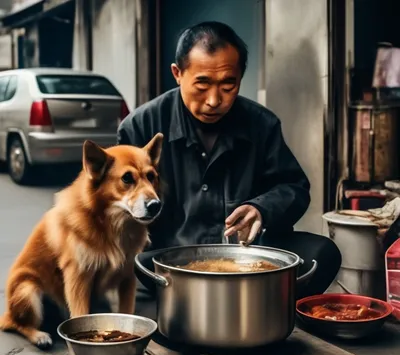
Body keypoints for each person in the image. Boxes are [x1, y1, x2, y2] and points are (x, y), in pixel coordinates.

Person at [117, 21, 341, 298]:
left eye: (228, 85)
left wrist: (261, 209)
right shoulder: (141, 126)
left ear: (240, 78)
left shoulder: (262, 124)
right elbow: (113, 203)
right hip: (169, 265)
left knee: (321, 253)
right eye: (202, 84)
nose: (214, 100)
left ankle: (255, 306)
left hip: (244, 261)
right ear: (178, 73)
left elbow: (293, 187)